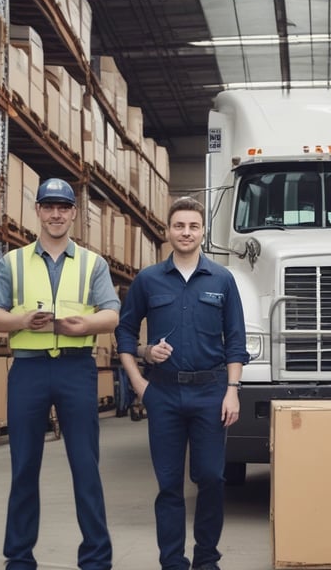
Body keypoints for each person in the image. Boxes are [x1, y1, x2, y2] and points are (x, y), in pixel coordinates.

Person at [0, 177, 120, 570]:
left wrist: (85, 327)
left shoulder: (94, 263)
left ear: (74, 213)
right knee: (24, 466)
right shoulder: (12, 261)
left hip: (77, 369)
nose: (56, 214)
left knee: (85, 465)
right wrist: (23, 319)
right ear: (39, 212)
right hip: (29, 369)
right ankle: (19, 558)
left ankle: (96, 559)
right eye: (49, 207)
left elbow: (112, 313)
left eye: (63, 207)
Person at [115, 196, 249, 570]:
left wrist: (232, 391)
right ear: (168, 231)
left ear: (203, 231)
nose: (186, 232)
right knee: (169, 485)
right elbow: (124, 332)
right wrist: (140, 376)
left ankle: (206, 560)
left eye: (193, 226)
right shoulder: (148, 280)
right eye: (179, 226)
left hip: (210, 392)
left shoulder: (222, 279)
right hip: (165, 394)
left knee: (211, 478)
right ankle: (172, 562)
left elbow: (235, 339)